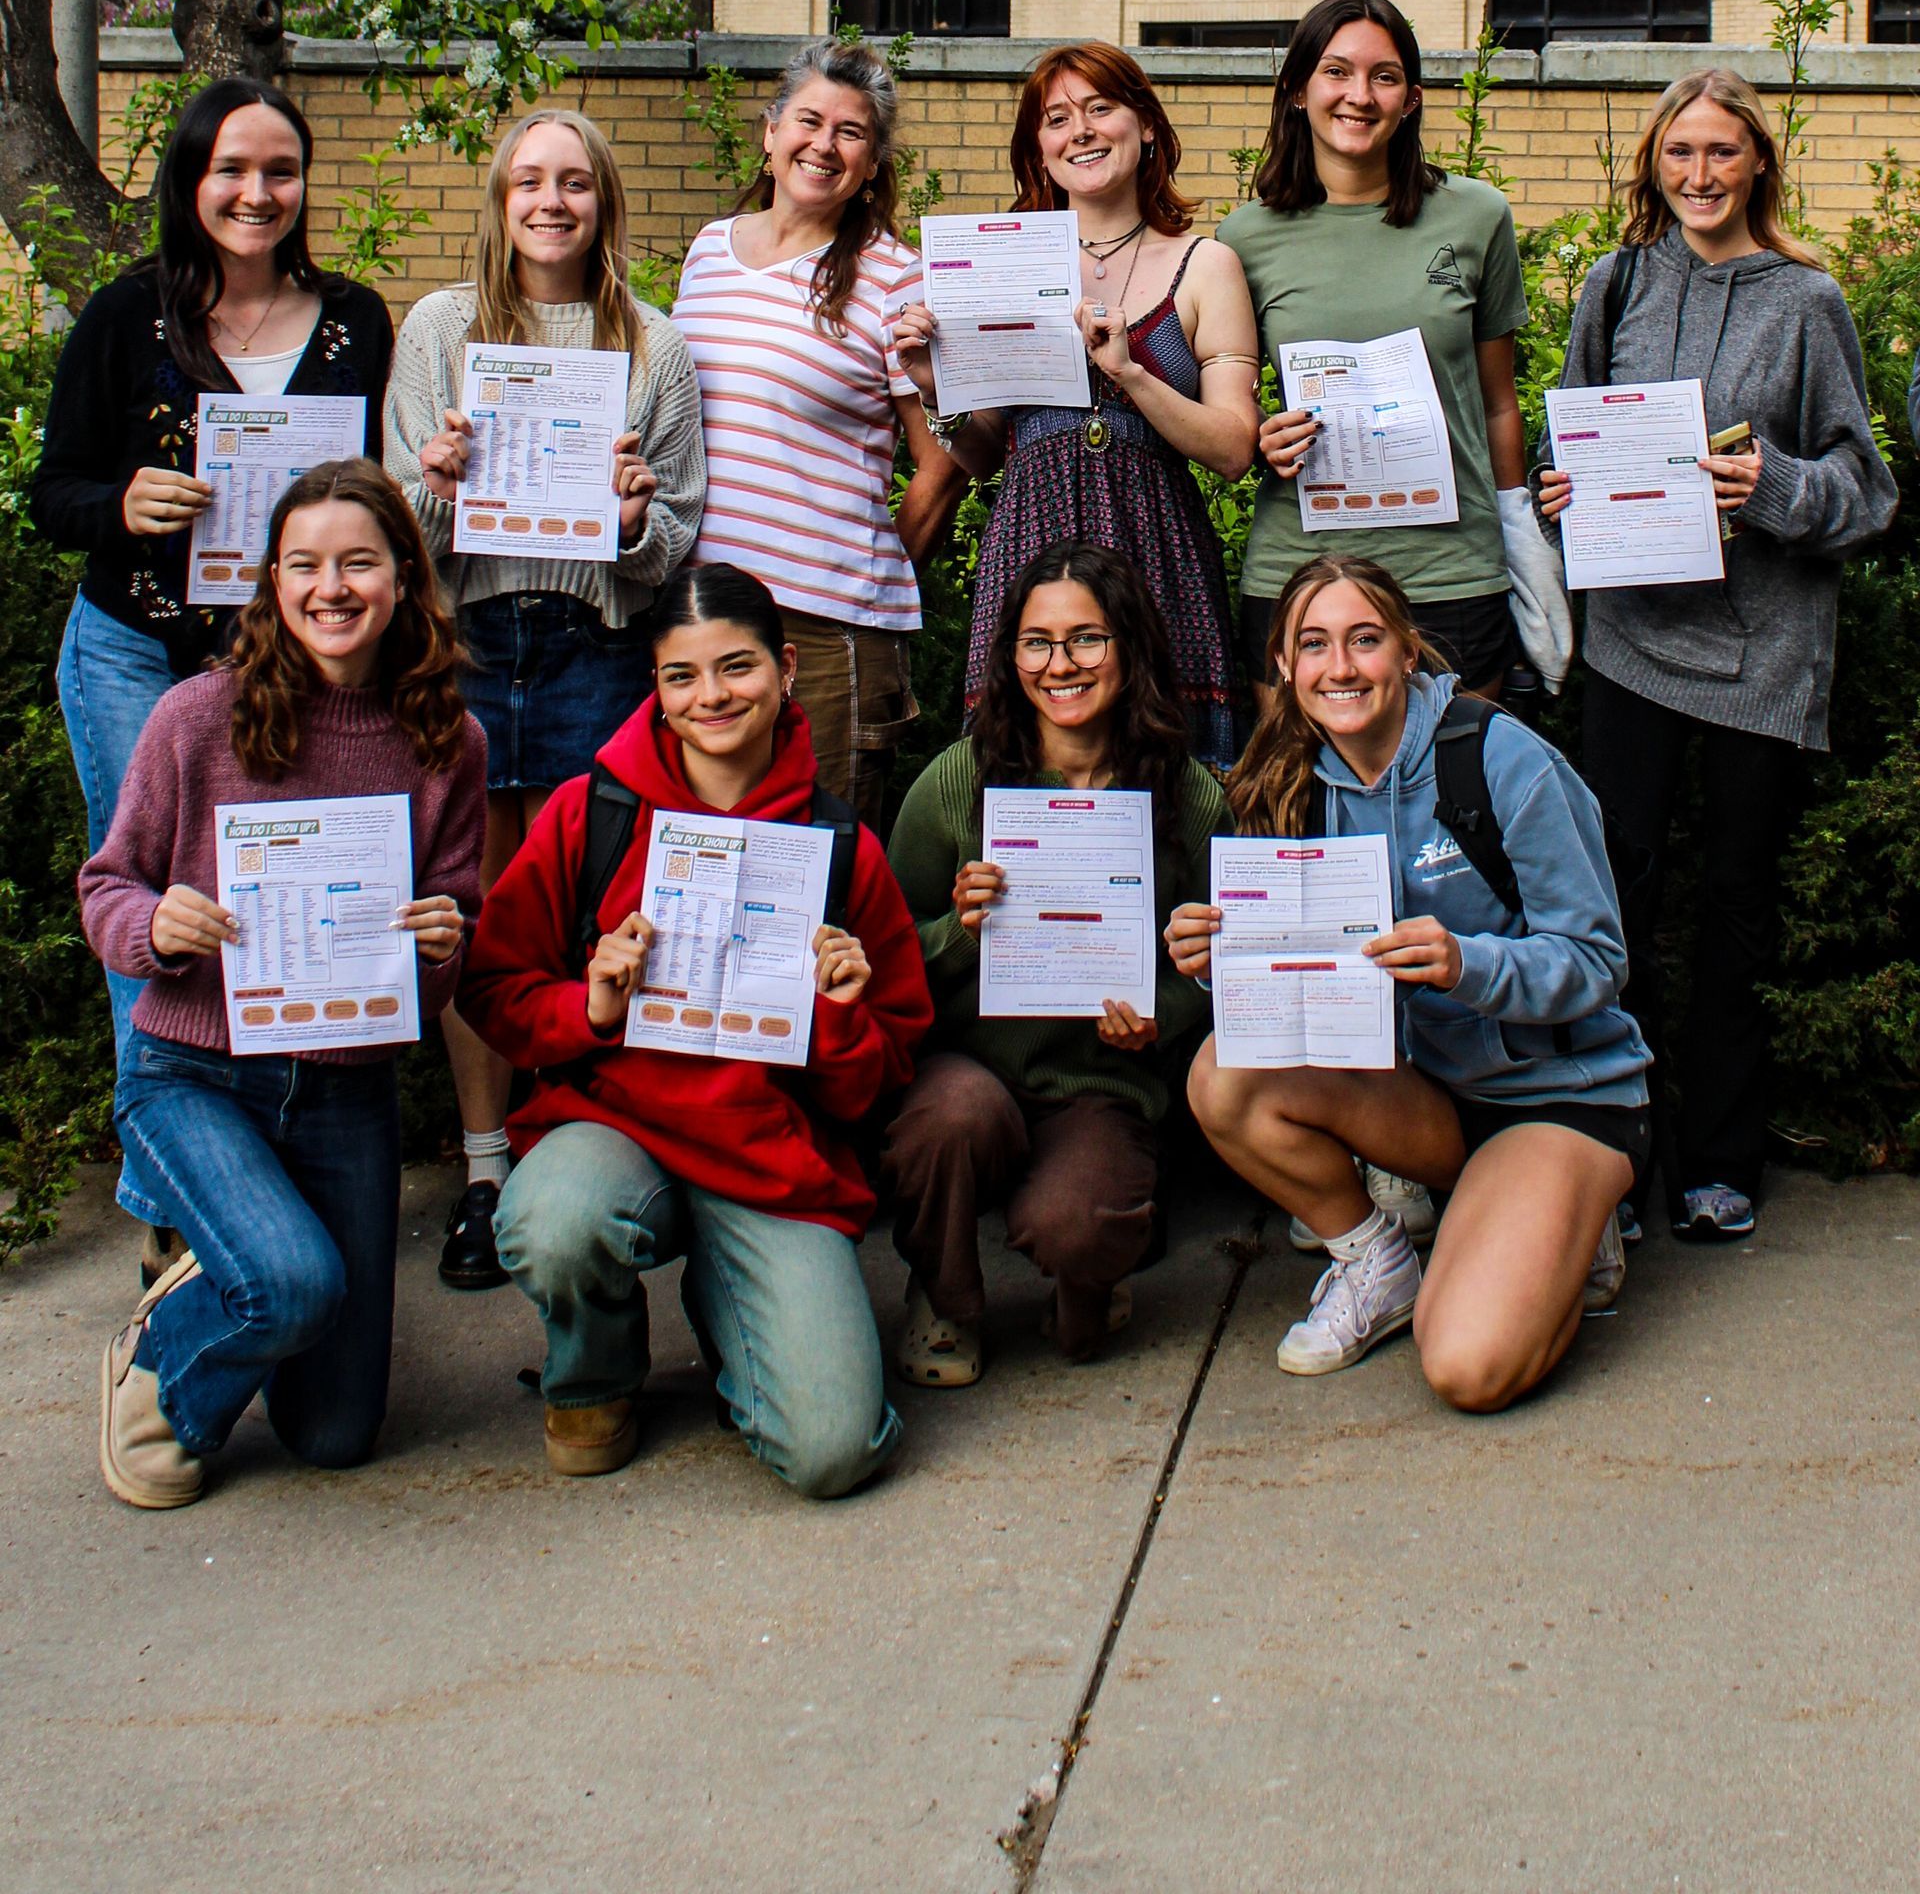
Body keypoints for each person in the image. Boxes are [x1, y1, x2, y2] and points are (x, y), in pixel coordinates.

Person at [459, 561, 933, 1498]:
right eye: (683, 676)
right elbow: (492, 988)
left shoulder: (838, 848)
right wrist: (589, 1006)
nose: (712, 696)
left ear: (787, 668)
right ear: (657, 688)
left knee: (836, 1452)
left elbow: (887, 1077)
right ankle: (591, 1375)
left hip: (765, 1155)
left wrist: (839, 1018)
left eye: (737, 667)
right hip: (615, 1132)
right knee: (553, 1221)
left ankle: (736, 1305)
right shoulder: (592, 812)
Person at [30, 76, 392, 1266]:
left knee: (275, 905)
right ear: (192, 181)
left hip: (293, 673)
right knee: (152, 916)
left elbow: (376, 491)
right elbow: (54, 496)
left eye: (279, 171)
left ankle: (272, 1164)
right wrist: (123, 503)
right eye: (232, 169)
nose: (257, 192)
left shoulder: (353, 321)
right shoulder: (126, 316)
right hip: (140, 656)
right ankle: (172, 1203)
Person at [79, 459, 485, 1508]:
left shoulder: (449, 739)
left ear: (405, 574)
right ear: (270, 581)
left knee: (336, 1436)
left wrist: (443, 946)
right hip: (195, 1074)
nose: (331, 588)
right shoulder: (198, 718)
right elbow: (106, 887)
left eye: (359, 562)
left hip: (346, 1089)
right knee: (295, 1286)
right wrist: (155, 926)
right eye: (303, 565)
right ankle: (167, 1356)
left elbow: (441, 968)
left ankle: (245, 1273)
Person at [1537, 67, 1896, 1243]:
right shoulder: (1617, 284)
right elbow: (1575, 438)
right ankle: (1625, 1150)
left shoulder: (1807, 301)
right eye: (1678, 152)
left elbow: (1866, 491)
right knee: (1619, 893)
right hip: (1635, 642)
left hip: (1764, 652)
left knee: (1737, 903)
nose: (1698, 174)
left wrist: (1776, 484)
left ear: (1758, 166)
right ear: (1653, 164)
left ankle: (1725, 1160)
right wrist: (1556, 495)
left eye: (1722, 153)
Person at [1182, 557, 1649, 1411]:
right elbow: (1309, 1007)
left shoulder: (1499, 757)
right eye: (1313, 646)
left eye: (1364, 640)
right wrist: (1227, 964)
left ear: (1406, 651)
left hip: (1552, 1095)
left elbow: (1598, 961)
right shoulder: (1295, 789)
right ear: (1286, 667)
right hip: (1428, 1100)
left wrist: (1467, 963)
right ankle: (1377, 1263)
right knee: (1223, 1074)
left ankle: (1577, 1217)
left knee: (1468, 1369)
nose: (1341, 667)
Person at [385, 106, 705, 1294]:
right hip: (464, 645)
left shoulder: (653, 346)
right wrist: (432, 483)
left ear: (605, 200)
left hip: (591, 648)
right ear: (500, 198)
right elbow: (397, 537)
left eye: (575, 182)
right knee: (474, 912)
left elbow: (671, 544)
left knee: (575, 910)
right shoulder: (438, 331)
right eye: (530, 182)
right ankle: (481, 1170)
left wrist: (628, 516)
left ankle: (558, 1151)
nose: (552, 203)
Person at [883, 541, 1221, 1381]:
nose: (1058, 664)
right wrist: (957, 932)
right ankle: (944, 1296)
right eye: (1036, 642)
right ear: (1010, 655)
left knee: (1079, 1246)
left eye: (1086, 640)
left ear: (1130, 648)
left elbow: (1227, 964)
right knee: (950, 1122)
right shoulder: (957, 783)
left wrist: (1163, 1017)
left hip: (1099, 1082)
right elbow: (884, 964)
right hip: (968, 1072)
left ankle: (1090, 1273)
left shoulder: (1187, 794)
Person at [893, 41, 1258, 767]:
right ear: (1040, 148)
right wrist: (938, 386)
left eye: (1101, 108)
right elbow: (985, 451)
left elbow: (1233, 448)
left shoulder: (1204, 264)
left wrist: (1131, 373)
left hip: (1157, 544)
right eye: (1058, 118)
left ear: (1146, 125)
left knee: (1170, 769)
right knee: (1024, 760)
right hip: (1031, 536)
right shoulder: (1004, 264)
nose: (1081, 131)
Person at [1217, 0, 1567, 707]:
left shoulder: (1477, 216)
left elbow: (1500, 403)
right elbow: (1228, 414)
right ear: (1296, 92)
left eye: (1384, 76)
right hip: (1299, 569)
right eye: (1337, 71)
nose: (1359, 95)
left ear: (1410, 99)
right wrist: (1261, 440)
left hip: (1450, 570)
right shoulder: (1243, 238)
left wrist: (1518, 534)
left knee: (1458, 804)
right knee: (1299, 807)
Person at [672, 36, 962, 820]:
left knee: (813, 859)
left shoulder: (894, 276)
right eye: (808, 120)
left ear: (872, 165)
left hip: (827, 631)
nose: (823, 145)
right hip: (700, 611)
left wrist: (862, 574)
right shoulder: (707, 254)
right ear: (770, 133)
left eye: (851, 132)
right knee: (700, 847)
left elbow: (941, 466)